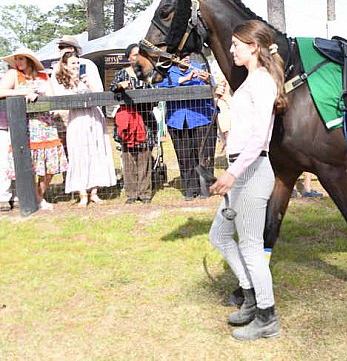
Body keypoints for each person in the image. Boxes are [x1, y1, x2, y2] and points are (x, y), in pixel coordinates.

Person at [209, 20, 285, 341]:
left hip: (252, 172)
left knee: (252, 246)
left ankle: (267, 317)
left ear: (253, 47)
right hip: (240, 170)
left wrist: (231, 173)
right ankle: (250, 295)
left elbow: (259, 139)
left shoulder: (264, 82)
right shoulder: (250, 81)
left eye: (236, 45)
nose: (231, 50)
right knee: (220, 235)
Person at [0, 47, 68, 210]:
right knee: (28, 161)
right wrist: (22, 92)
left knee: (49, 164)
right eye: (16, 59)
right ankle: (35, 198)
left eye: (21, 59)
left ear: (29, 60)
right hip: (25, 124)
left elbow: (51, 97)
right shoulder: (13, 74)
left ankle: (39, 193)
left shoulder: (43, 76)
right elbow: (1, 90)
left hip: (46, 123)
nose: (18, 62)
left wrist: (40, 95)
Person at [52, 51, 116, 206]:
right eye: (73, 63)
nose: (76, 66)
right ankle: (82, 193)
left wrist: (88, 84)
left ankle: (94, 192)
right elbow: (62, 99)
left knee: (95, 152)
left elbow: (98, 95)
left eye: (78, 63)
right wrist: (73, 84)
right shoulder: (61, 81)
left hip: (93, 116)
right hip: (77, 119)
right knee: (78, 154)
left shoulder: (85, 78)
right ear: (65, 65)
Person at [156, 55, 214, 201]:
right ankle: (190, 190)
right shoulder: (167, 72)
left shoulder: (200, 67)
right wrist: (185, 79)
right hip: (177, 121)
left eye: (188, 55)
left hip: (201, 118)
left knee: (203, 155)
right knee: (184, 156)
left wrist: (207, 80)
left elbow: (214, 85)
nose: (186, 58)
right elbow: (160, 85)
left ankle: (205, 189)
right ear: (175, 57)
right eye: (182, 56)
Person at [110, 44, 157, 204]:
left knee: (144, 156)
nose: (138, 57)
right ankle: (131, 193)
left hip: (145, 119)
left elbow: (155, 93)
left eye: (140, 54)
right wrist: (119, 87)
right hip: (127, 119)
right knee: (128, 157)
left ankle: (145, 193)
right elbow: (112, 90)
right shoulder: (121, 74)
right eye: (135, 54)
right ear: (128, 57)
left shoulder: (148, 73)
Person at [0, 72, 14, 211]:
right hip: (2, 127)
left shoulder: (7, 78)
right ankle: (3, 197)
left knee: (13, 162)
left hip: (14, 125)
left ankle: (13, 194)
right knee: (3, 163)